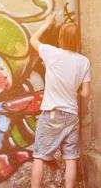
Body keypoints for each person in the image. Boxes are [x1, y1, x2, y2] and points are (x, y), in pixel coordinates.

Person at [30, 12, 91, 188]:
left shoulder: (52, 53)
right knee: (70, 158)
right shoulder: (84, 61)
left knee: (40, 156)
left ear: (61, 37)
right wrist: (72, 87)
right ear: (78, 40)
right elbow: (86, 93)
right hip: (72, 116)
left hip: (52, 115)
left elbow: (33, 40)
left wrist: (47, 24)